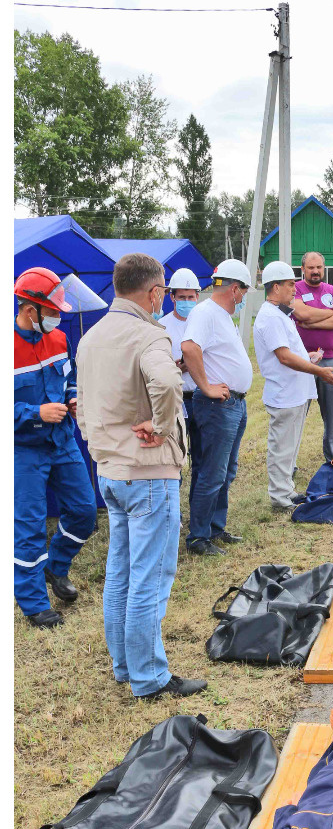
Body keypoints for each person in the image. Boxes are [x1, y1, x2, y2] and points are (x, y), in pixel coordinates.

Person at [75, 253, 206, 700]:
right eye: (165, 291)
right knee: (149, 576)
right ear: (154, 294)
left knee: (121, 572)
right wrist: (163, 425)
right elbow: (168, 385)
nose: (165, 298)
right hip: (149, 472)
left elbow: (82, 404)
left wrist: (98, 447)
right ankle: (149, 677)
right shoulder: (148, 335)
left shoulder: (90, 338)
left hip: (111, 471)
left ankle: (124, 665)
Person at [13, 268, 97, 628]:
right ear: (30, 309)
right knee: (29, 527)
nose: (56, 316)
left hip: (63, 441)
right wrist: (35, 412)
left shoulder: (60, 339)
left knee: (84, 511)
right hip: (23, 450)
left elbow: (70, 378)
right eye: (51, 310)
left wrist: (73, 398)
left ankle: (55, 567)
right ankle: (34, 605)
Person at [254, 261, 333, 512]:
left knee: (290, 447)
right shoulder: (271, 317)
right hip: (284, 393)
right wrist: (318, 370)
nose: (295, 289)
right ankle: (280, 497)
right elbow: (284, 357)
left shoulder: (280, 314)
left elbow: (291, 352)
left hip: (294, 393)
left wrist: (308, 358)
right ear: (275, 287)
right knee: (282, 448)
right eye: (290, 284)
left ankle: (287, 490)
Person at [179, 259, 254, 556]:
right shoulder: (205, 312)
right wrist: (207, 386)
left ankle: (214, 528)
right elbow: (189, 348)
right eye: (244, 291)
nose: (245, 297)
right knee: (212, 471)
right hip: (216, 405)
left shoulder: (222, 315)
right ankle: (198, 537)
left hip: (233, 403)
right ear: (234, 288)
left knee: (226, 470)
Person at [288, 251, 333, 464]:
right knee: (295, 416)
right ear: (302, 269)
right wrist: (329, 312)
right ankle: (289, 463)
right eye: (311, 267)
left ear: (324, 268)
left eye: (319, 267)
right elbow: (300, 314)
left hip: (331, 360)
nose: (315, 271)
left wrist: (312, 322)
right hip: (300, 361)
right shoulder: (293, 288)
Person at [159, 268, 203, 501]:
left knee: (202, 458)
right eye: (181, 297)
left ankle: (198, 508)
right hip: (176, 399)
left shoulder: (205, 322)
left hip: (201, 397)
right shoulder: (162, 327)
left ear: (198, 296)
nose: (187, 301)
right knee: (174, 457)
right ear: (172, 296)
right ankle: (172, 509)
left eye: (191, 297)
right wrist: (177, 367)